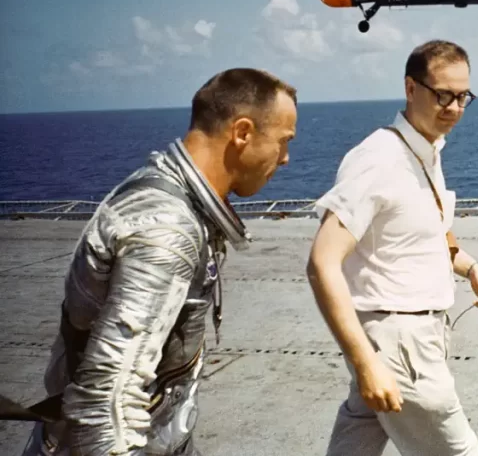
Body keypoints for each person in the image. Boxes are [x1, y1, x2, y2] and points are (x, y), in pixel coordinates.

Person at [19, 68, 298, 455]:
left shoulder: (175, 201)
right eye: (283, 142)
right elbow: (106, 401)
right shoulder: (167, 231)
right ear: (243, 132)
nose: (285, 159)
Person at [306, 39, 478, 456]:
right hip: (398, 341)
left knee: (357, 440)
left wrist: (474, 270)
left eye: (463, 96)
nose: (454, 107)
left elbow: (433, 233)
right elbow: (322, 262)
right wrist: (365, 362)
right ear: (410, 89)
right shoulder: (379, 160)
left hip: (405, 334)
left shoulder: (425, 149)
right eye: (443, 95)